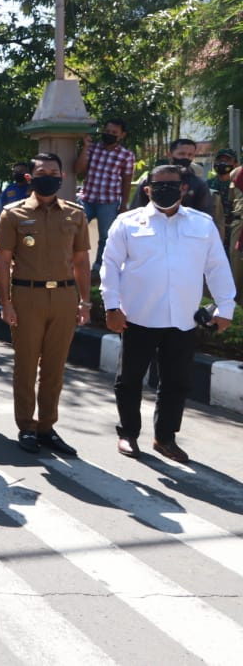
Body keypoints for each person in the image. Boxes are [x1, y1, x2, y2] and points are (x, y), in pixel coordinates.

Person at [103, 164, 234, 463]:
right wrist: (112, 307)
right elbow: (110, 266)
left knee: (176, 382)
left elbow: (216, 267)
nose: (165, 190)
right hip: (138, 316)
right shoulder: (127, 222)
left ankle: (165, 438)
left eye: (172, 185)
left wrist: (225, 307)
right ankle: (128, 434)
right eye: (157, 186)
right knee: (129, 380)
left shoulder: (202, 224)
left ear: (184, 188)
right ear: (147, 189)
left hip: (183, 319)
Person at [0, 153, 91, 455]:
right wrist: (6, 303)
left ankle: (47, 426)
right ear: (30, 178)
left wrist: (85, 301)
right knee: (25, 365)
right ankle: (26, 426)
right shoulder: (12, 214)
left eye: (53, 172)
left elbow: (81, 261)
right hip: (27, 296)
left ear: (61, 177)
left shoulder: (75, 214)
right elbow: (3, 261)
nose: (47, 176)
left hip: (64, 297)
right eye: (41, 172)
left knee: (54, 367)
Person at [75, 117, 135, 271]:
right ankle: (70, 264)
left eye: (114, 132)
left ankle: (99, 268)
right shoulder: (93, 148)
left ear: (122, 135)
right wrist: (85, 147)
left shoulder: (126, 155)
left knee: (105, 237)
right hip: (86, 198)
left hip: (109, 202)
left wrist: (123, 205)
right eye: (107, 131)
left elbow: (126, 182)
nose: (109, 134)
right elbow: (78, 169)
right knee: (73, 231)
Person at [132, 138, 214, 215]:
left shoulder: (198, 185)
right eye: (181, 154)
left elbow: (205, 214)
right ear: (170, 155)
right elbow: (136, 211)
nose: (186, 157)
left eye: (190, 155)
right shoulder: (150, 181)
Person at [208, 148, 240, 257]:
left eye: (227, 160)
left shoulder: (239, 186)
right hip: (213, 232)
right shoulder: (207, 185)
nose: (222, 163)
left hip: (235, 232)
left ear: (235, 164)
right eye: (220, 160)